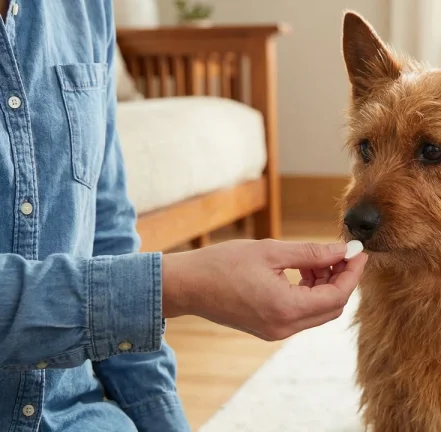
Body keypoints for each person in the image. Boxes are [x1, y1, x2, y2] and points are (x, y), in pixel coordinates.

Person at [0, 2, 367, 431]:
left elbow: (108, 235)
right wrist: (178, 286)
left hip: (77, 416)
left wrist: (165, 421)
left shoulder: (85, 9)